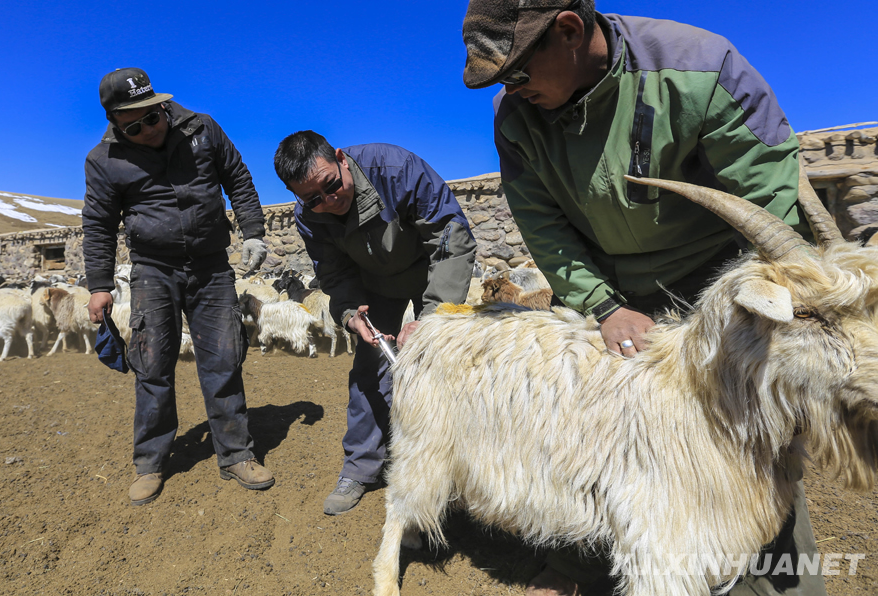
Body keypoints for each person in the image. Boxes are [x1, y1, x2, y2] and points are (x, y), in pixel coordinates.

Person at [462, 2, 826, 595]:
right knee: (601, 434)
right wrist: (603, 306)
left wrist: (753, 317)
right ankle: (589, 561)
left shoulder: (699, 70)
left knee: (749, 439)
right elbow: (543, 224)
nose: (509, 89)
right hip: (614, 293)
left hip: (723, 287)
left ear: (569, 30)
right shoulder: (517, 119)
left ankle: (780, 577)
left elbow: (771, 206)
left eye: (518, 72)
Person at [83, 67, 275, 506]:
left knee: (223, 359)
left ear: (161, 104)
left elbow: (238, 179)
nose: (149, 129)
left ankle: (236, 454)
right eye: (134, 126)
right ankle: (150, 463)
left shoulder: (202, 129)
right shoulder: (103, 160)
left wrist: (254, 232)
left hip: (210, 266)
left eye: (153, 117)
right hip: (153, 268)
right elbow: (98, 225)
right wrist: (99, 284)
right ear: (115, 122)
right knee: (151, 364)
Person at [273, 131, 477, 515]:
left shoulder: (398, 170)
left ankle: (456, 467)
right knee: (369, 369)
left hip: (431, 272)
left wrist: (433, 320)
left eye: (331, 185)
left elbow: (452, 241)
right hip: (374, 287)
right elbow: (333, 274)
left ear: (340, 159)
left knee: (444, 365)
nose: (328, 201)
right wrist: (351, 314)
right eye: (312, 199)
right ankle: (361, 467)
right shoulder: (310, 218)